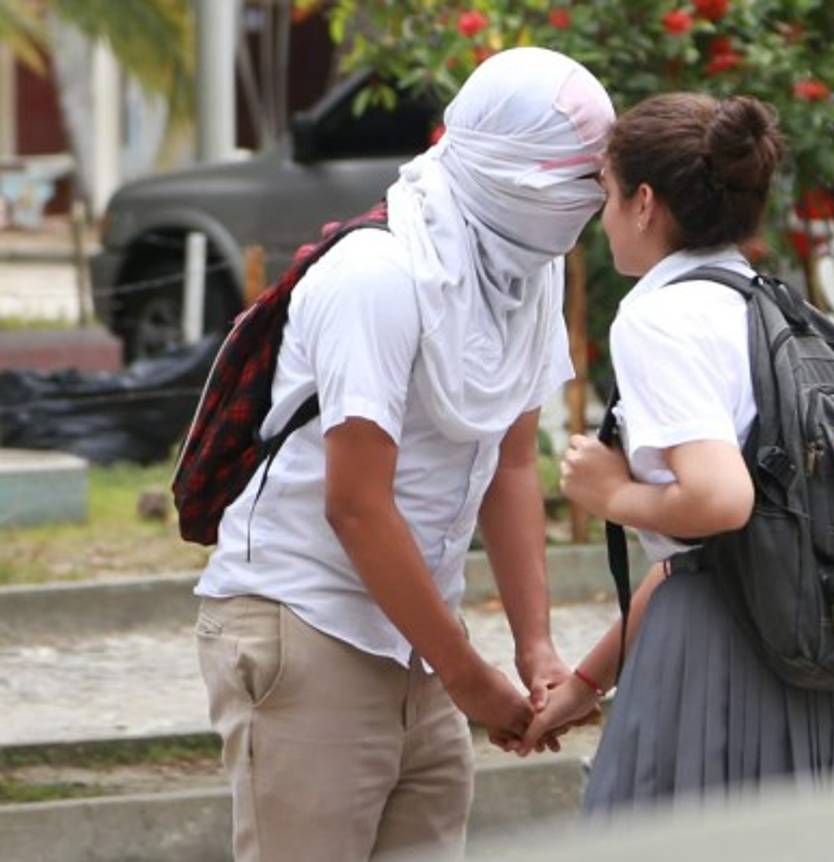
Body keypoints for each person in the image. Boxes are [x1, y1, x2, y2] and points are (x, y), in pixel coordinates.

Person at [193, 47, 614, 861]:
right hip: (309, 623)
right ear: (507, 176)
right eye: (575, 184)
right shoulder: (377, 277)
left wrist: (534, 648)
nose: (589, 207)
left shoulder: (527, 273)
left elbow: (512, 463)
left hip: (418, 633)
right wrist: (467, 675)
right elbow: (355, 503)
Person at [518, 93, 834, 811]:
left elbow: (717, 502)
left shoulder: (660, 317)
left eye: (607, 192)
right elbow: (708, 550)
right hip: (822, 640)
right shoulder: (773, 305)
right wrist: (586, 682)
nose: (602, 217)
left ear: (644, 203)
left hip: (723, 658)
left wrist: (610, 494)